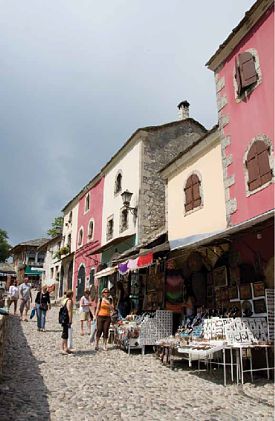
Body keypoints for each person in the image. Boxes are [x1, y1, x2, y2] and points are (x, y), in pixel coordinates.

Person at [61, 290, 74, 354]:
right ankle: (62, 348)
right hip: (66, 319)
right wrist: (70, 320)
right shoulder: (69, 301)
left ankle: (65, 348)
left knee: (65, 333)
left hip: (63, 318)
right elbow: (69, 311)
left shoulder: (64, 300)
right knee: (65, 333)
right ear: (71, 295)